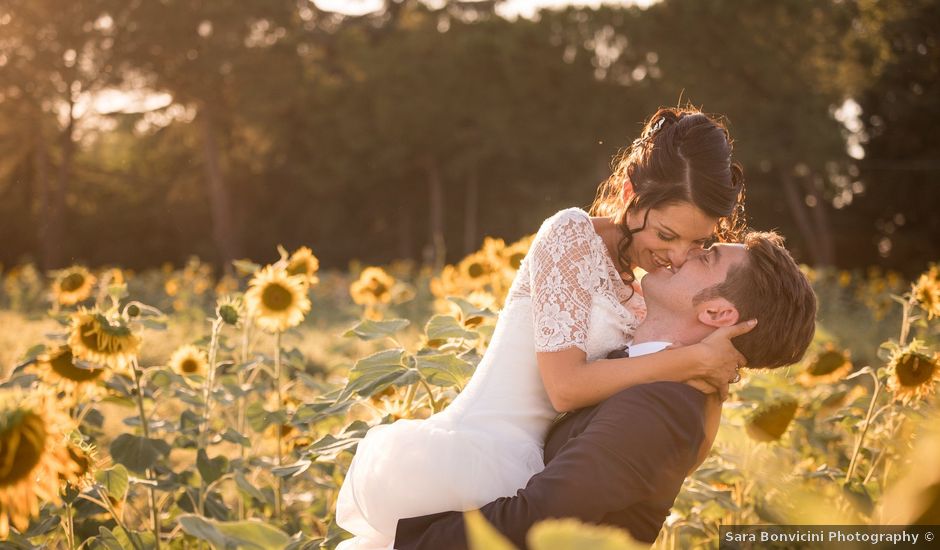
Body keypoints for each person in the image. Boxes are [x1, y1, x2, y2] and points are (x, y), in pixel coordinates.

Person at [336, 107, 752, 549]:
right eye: (667, 236)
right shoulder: (571, 236)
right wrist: (691, 359)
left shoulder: (651, 292)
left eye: (699, 243)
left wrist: (713, 382)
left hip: (545, 477)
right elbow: (565, 388)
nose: (680, 256)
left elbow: (687, 452)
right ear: (631, 193)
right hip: (478, 452)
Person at [394, 231, 818, 549]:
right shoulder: (645, 368)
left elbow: (538, 518)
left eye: (704, 257)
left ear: (717, 312)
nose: (685, 252)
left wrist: (412, 542)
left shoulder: (662, 407)